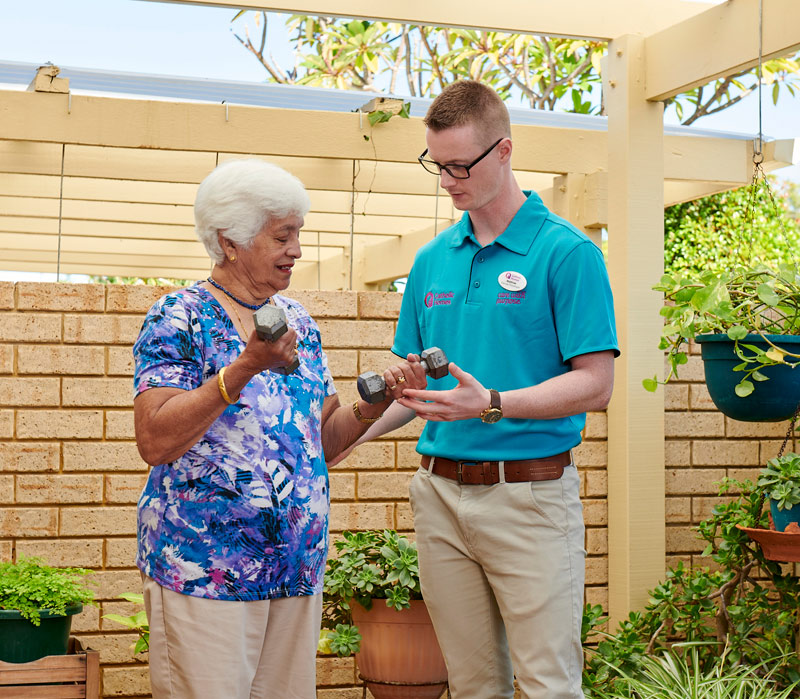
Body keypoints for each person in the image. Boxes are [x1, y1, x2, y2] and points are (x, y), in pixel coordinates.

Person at [353, 81, 619, 699]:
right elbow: (413, 390)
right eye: (437, 166)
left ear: (503, 151)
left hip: (529, 497)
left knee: (549, 684)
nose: (447, 180)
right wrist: (341, 437)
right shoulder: (430, 262)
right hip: (439, 495)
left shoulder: (567, 253)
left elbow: (596, 385)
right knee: (473, 686)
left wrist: (494, 404)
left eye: (459, 165)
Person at [132, 158, 424, 699]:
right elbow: (155, 439)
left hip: (294, 566)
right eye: (283, 236)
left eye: (299, 235)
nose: (297, 250)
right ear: (231, 242)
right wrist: (244, 367)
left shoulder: (299, 324)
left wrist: (380, 398)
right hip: (206, 568)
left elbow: (325, 443)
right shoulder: (179, 317)